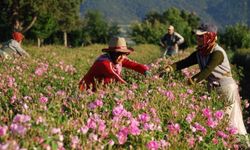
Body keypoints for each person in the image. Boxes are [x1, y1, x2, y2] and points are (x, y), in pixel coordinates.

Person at [162, 23, 249, 146]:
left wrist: (189, 83)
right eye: (197, 36)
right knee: (218, 120)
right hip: (214, 88)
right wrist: (169, 68)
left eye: (201, 36)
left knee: (230, 120)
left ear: (210, 37)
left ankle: (240, 145)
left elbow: (207, 70)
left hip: (225, 88)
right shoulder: (200, 52)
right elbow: (185, 62)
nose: (198, 39)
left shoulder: (217, 53)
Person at [79, 37, 150, 91]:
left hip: (99, 90)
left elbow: (134, 65)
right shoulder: (103, 62)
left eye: (124, 54)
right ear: (111, 53)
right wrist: (129, 88)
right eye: (119, 54)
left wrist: (145, 70)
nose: (122, 57)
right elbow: (114, 76)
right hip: (86, 90)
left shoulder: (118, 59)